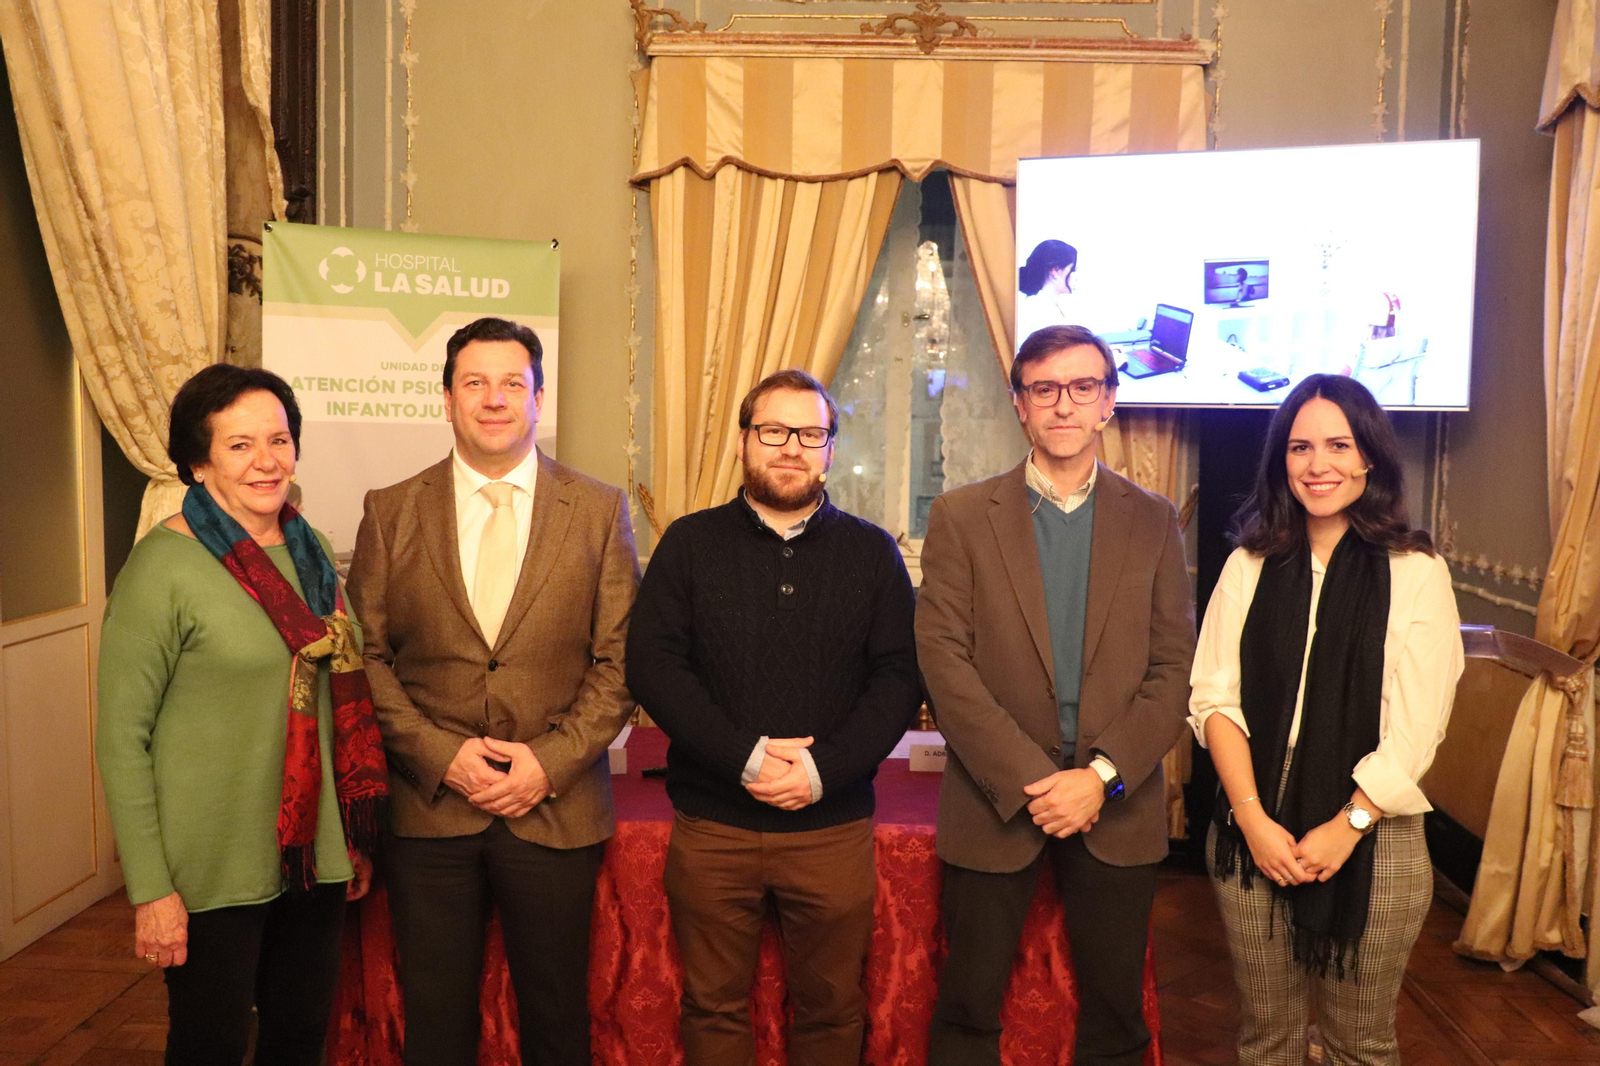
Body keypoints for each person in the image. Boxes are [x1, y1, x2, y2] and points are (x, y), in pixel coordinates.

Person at [346, 316, 638, 1066]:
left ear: (539, 398)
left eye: (513, 383)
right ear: (446, 399)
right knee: (436, 1026)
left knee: (556, 1021)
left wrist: (548, 763)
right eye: (475, 382)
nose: (494, 399)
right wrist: (443, 756)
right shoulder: (390, 509)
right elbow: (365, 658)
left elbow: (622, 662)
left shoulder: (600, 511)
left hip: (555, 808)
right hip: (431, 809)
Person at [626, 368, 922, 1066]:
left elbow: (900, 679)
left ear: (829, 448)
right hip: (714, 824)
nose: (791, 446)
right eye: (774, 431)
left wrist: (821, 770)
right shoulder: (689, 545)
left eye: (810, 433)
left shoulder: (873, 552)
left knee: (831, 1010)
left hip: (832, 826)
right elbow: (655, 670)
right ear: (742, 443)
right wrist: (747, 758)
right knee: (713, 1007)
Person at [917, 324, 1195, 1066]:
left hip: (1117, 805)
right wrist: (1038, 783)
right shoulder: (962, 517)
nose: (1063, 405)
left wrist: (1098, 779)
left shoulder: (1155, 521)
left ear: (1109, 402)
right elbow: (944, 662)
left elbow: (1173, 672)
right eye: (1044, 389)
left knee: (1115, 1016)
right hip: (993, 801)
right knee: (967, 1009)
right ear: (1020, 405)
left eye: (1082, 388)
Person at [97, 365, 387, 1066]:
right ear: (198, 464)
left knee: (296, 1039)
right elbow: (120, 739)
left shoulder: (310, 548)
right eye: (239, 445)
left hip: (310, 853)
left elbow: (333, 692)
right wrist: (152, 889)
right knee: (211, 1047)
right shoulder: (161, 567)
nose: (267, 461)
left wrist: (348, 832)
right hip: (208, 862)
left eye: (279, 439)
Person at [1189, 374, 1462, 1066]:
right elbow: (1213, 698)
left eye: (1338, 445)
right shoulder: (1249, 564)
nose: (1319, 465)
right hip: (1256, 817)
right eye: (1301, 447)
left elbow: (1418, 724)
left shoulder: (1416, 570)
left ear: (1369, 456)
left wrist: (1350, 824)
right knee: (1267, 1039)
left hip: (1379, 824)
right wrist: (1251, 821)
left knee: (1360, 1045)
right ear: (1280, 459)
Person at [1016, 238, 1079, 342]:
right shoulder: (1038, 311)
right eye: (1073, 270)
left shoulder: (1050, 306)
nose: (1076, 277)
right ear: (1055, 271)